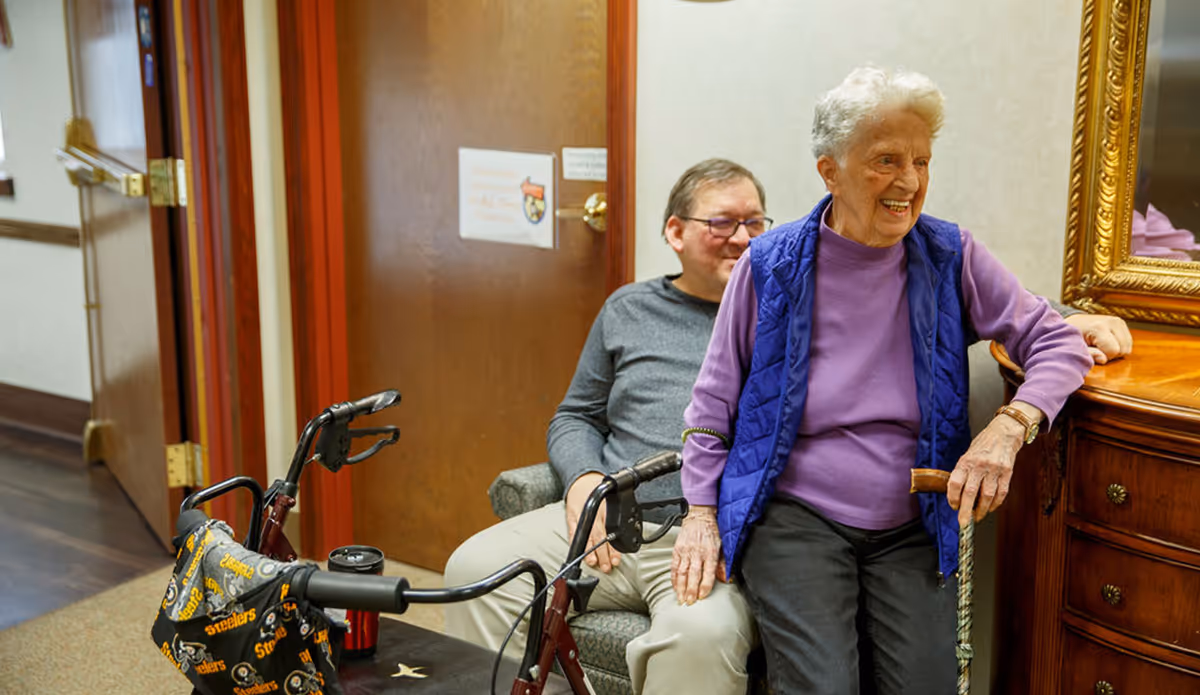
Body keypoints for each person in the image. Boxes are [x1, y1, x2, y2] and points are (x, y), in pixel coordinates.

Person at [444, 156, 1132, 695]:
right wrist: (583, 477)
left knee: (699, 639)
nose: (744, 237)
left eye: (755, 221)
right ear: (674, 232)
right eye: (722, 222)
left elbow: (913, 304)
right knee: (472, 569)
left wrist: (1066, 321)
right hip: (605, 511)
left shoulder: (780, 293)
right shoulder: (626, 309)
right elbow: (576, 413)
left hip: (702, 524)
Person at [673, 66, 1096, 694]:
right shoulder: (770, 264)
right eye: (886, 160)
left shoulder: (950, 255)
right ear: (830, 170)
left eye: (922, 161)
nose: (909, 182)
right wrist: (701, 511)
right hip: (795, 516)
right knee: (823, 687)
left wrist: (1010, 427)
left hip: (913, 519)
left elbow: (1057, 341)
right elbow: (712, 407)